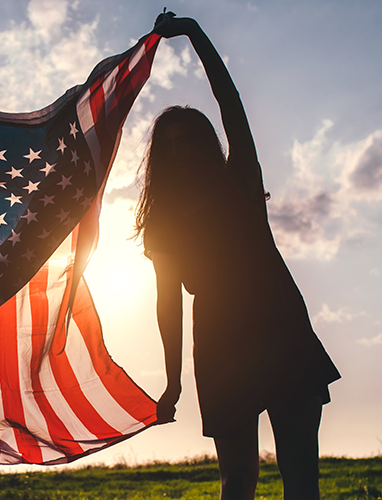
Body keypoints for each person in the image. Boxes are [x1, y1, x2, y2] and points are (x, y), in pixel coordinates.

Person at [139, 13, 341, 500]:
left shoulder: (241, 182)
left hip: (282, 331)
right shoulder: (163, 224)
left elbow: (231, 104)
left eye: (188, 140)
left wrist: (194, 34)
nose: (180, 151)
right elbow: (168, 303)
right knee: (236, 486)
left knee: (301, 484)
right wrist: (171, 382)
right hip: (219, 346)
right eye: (170, 147)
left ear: (207, 145)